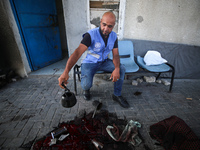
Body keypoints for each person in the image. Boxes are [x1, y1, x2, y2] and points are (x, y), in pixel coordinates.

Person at [58, 11, 129, 108]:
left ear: (114, 26)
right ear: (100, 22)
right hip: (90, 63)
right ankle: (86, 90)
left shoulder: (113, 36)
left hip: (104, 62)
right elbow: (78, 52)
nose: (106, 29)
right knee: (86, 85)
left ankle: (116, 95)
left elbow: (115, 55)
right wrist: (66, 71)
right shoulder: (90, 35)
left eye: (110, 26)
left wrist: (116, 68)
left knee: (121, 68)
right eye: (104, 25)